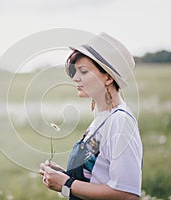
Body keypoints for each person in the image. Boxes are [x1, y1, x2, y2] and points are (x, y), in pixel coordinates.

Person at [39, 32, 143, 200]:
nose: (75, 78)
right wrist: (64, 176)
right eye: (75, 71)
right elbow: (97, 176)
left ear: (108, 77)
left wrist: (67, 183)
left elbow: (127, 194)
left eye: (84, 71)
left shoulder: (120, 122)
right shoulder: (101, 119)